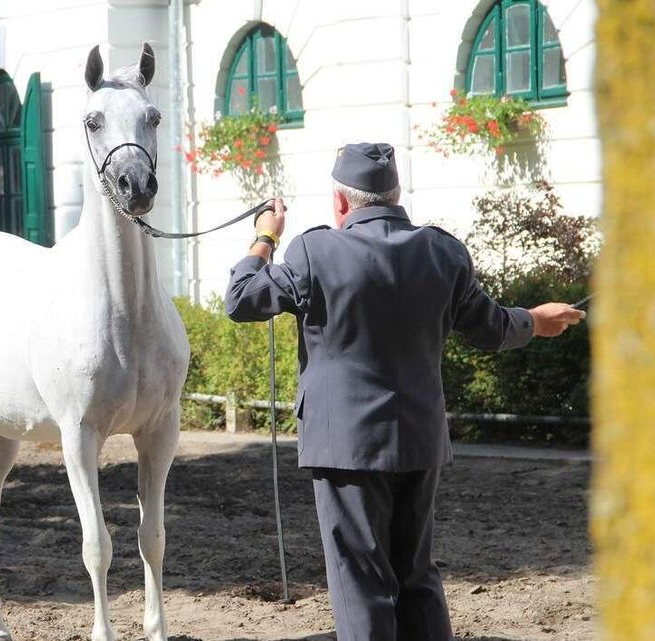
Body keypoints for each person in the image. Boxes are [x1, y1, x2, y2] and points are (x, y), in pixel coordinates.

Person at [224, 142, 585, 641]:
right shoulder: (444, 251)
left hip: (345, 446)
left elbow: (242, 298)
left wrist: (265, 236)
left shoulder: (315, 250)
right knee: (416, 574)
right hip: (419, 439)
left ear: (342, 203)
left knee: (361, 582)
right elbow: (492, 328)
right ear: (395, 195)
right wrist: (536, 321)